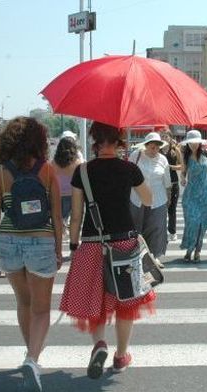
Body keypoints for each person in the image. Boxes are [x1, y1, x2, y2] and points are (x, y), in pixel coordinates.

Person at [59, 121, 154, 379]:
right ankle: (121, 356)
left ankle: (99, 344)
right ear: (119, 140)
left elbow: (76, 215)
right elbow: (149, 199)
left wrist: (74, 245)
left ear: (94, 140)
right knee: (126, 302)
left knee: (95, 300)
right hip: (124, 242)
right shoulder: (129, 168)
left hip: (91, 244)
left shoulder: (84, 171)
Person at [0, 117, 63, 392]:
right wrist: (59, 249)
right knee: (41, 308)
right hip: (41, 241)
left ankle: (31, 355)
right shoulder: (48, 170)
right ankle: (32, 358)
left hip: (8, 241)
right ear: (39, 142)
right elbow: (56, 215)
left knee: (23, 302)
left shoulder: (0, 172)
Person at [129, 132, 171, 268]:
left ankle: (154, 256)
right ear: (146, 146)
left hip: (158, 200)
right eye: (152, 146)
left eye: (157, 147)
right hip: (137, 198)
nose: (154, 149)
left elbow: (167, 182)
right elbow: (127, 177)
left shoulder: (163, 160)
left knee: (157, 228)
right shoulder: (135, 156)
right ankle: (136, 256)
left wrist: (168, 199)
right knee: (136, 228)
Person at [179, 130, 207, 263]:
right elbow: (183, 172)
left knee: (202, 225)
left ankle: (197, 251)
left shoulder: (206, 154)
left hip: (205, 194)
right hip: (191, 195)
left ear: (200, 143)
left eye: (196, 143)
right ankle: (189, 249)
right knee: (192, 223)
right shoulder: (185, 156)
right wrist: (182, 179)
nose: (193, 145)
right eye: (191, 143)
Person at [52, 136, 83, 229]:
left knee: (58, 219)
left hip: (57, 195)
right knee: (75, 220)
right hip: (74, 195)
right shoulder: (78, 163)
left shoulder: (53, 163)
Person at [160, 130, 183, 242]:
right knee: (161, 209)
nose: (164, 138)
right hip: (161, 184)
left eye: (166, 136)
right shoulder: (158, 150)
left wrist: (170, 167)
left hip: (173, 183)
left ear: (170, 138)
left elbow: (182, 166)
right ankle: (161, 231)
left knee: (172, 209)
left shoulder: (175, 150)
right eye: (162, 136)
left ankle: (172, 231)